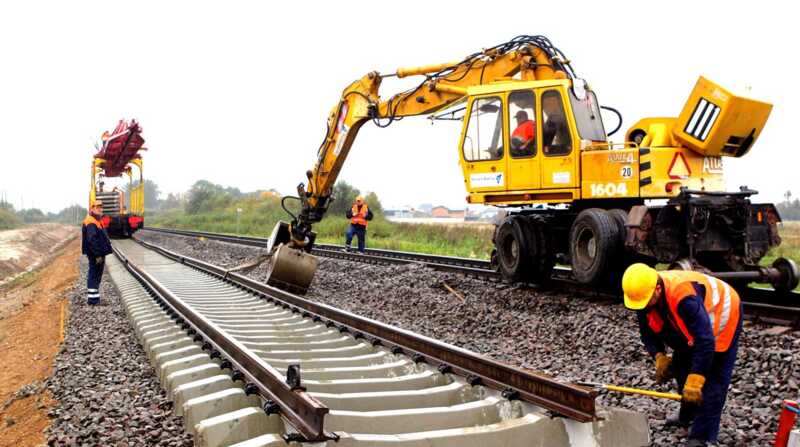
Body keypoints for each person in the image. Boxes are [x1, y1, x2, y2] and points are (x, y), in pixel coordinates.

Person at [621, 263, 743, 447]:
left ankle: (701, 436)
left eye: (646, 303)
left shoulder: (684, 298)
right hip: (696, 320)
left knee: (713, 380)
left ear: (658, 289)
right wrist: (659, 356)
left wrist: (697, 378)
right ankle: (687, 415)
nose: (643, 308)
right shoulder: (643, 295)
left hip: (723, 313)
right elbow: (647, 332)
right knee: (681, 365)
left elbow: (705, 341)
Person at [81, 200, 113, 305]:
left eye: (101, 207)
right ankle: (93, 300)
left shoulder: (97, 220)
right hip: (95, 255)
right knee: (94, 274)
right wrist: (98, 255)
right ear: (92, 209)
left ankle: (95, 298)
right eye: (97, 207)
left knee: (97, 274)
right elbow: (92, 240)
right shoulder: (91, 221)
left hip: (98, 254)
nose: (100, 208)